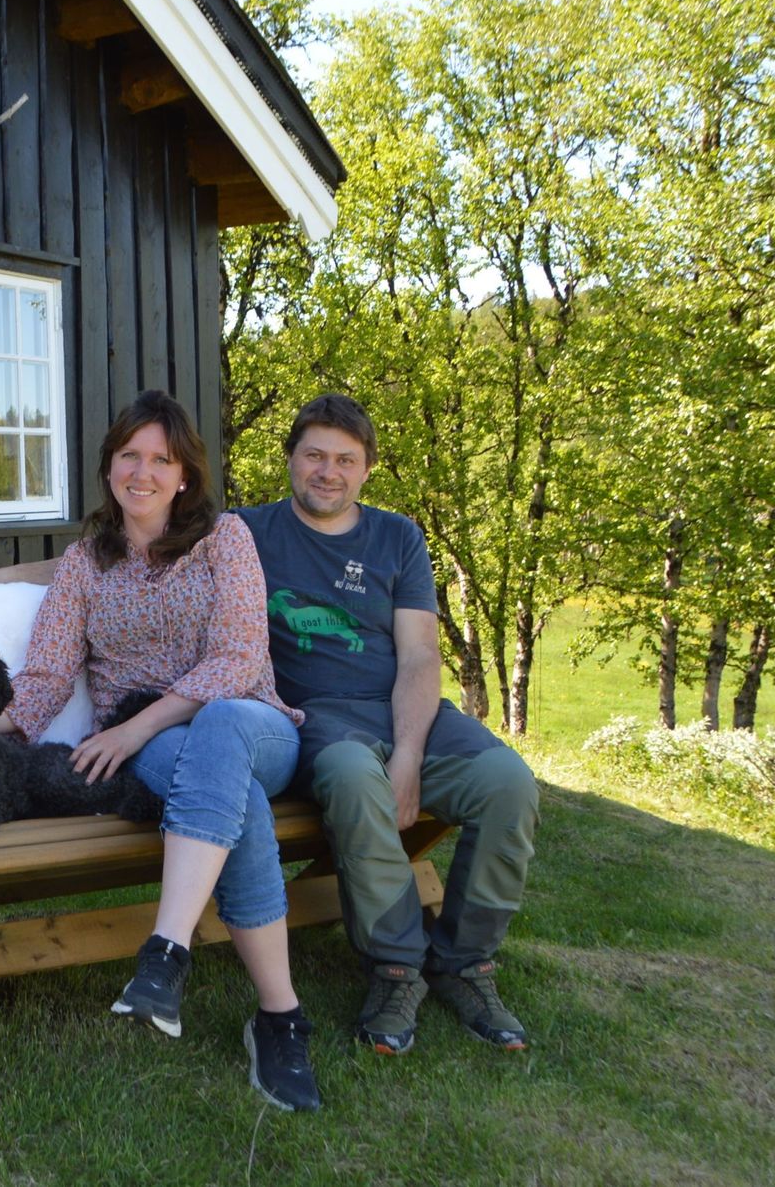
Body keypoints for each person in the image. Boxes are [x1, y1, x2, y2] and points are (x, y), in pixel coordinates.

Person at [0, 389, 321, 1113]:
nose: (142, 472)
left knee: (222, 730)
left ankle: (165, 950)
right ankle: (280, 1018)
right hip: (163, 751)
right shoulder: (84, 565)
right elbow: (47, 674)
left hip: (254, 724)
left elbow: (238, 660)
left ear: (184, 476)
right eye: (129, 455)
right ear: (109, 466)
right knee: (237, 807)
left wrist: (136, 728)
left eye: (161, 459)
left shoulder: (224, 539)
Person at [239, 393, 538, 1054]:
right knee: (353, 777)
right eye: (314, 455)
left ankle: (464, 962)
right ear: (290, 458)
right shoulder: (247, 532)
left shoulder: (397, 537)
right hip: (317, 718)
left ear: (367, 468)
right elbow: (153, 545)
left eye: (346, 460)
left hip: (406, 706)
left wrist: (408, 754)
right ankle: (397, 967)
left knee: (508, 783)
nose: (328, 472)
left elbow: (421, 654)